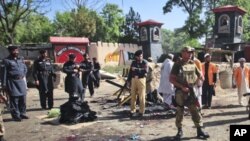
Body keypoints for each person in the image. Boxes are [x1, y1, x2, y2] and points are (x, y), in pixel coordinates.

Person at [170, 46, 209, 139]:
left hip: (192, 91)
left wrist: (200, 81)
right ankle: (179, 131)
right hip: (181, 92)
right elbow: (171, 79)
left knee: (195, 110)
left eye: (191, 52)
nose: (190, 54)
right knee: (180, 111)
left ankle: (199, 130)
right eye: (188, 52)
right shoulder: (177, 64)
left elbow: (201, 76)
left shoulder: (193, 63)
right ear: (183, 53)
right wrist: (182, 87)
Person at [1, 45, 29, 121]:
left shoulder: (21, 59)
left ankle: (22, 113)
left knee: (23, 99)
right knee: (14, 100)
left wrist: (23, 74)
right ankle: (16, 116)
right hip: (12, 82)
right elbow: (3, 73)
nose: (16, 52)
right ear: (10, 51)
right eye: (14, 51)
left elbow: (25, 68)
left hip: (21, 81)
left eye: (17, 50)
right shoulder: (6, 60)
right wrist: (4, 85)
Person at [127, 50, 148, 118]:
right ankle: (132, 110)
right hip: (133, 79)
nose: (140, 57)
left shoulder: (145, 62)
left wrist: (136, 69)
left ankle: (141, 111)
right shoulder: (133, 62)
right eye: (139, 56)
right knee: (133, 95)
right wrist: (128, 80)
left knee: (141, 96)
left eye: (141, 56)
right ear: (136, 57)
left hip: (141, 79)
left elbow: (145, 71)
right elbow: (130, 72)